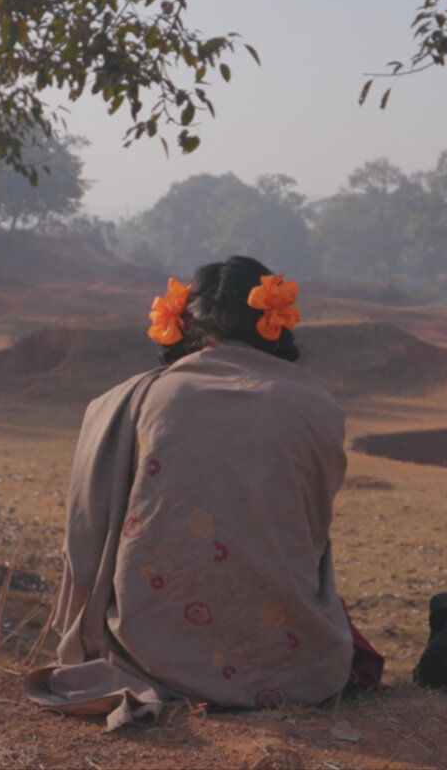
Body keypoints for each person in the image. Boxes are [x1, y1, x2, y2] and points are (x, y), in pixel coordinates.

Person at [22, 255, 380, 729]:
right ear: (273, 320)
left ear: (185, 322)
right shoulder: (316, 404)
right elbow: (312, 532)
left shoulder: (136, 400)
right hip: (295, 659)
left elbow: (87, 531)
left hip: (152, 651)